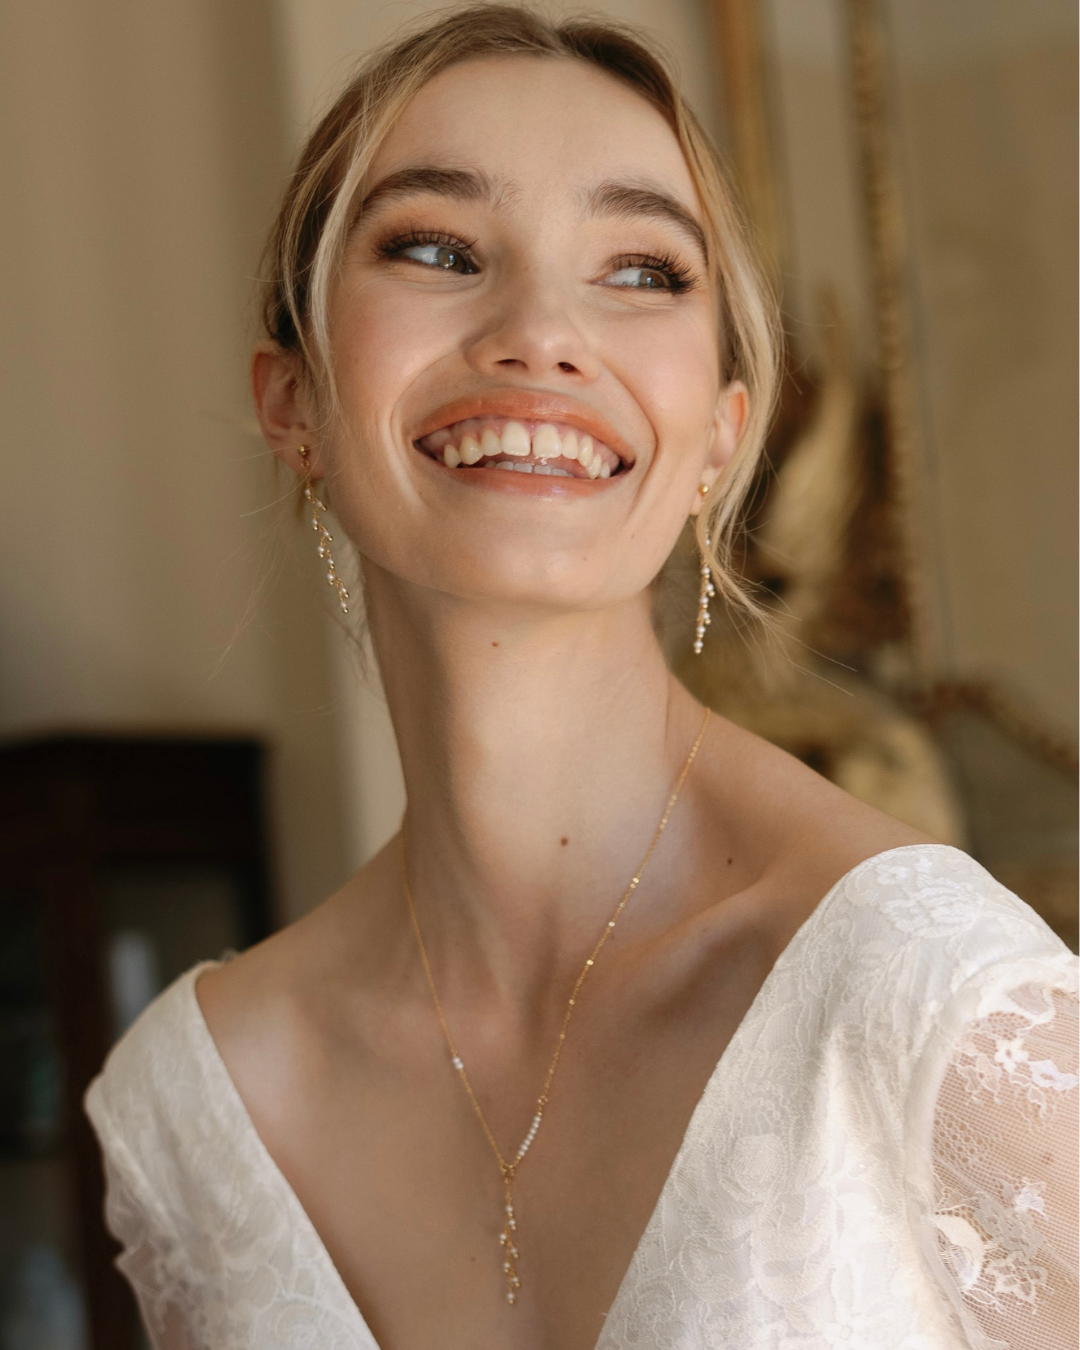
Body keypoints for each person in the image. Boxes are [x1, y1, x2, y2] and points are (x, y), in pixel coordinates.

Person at [85, 8, 1077, 1348]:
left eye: (643, 270)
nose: (541, 331)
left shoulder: (927, 1002)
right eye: (437, 248)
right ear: (294, 400)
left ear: (719, 435)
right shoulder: (198, 1112)